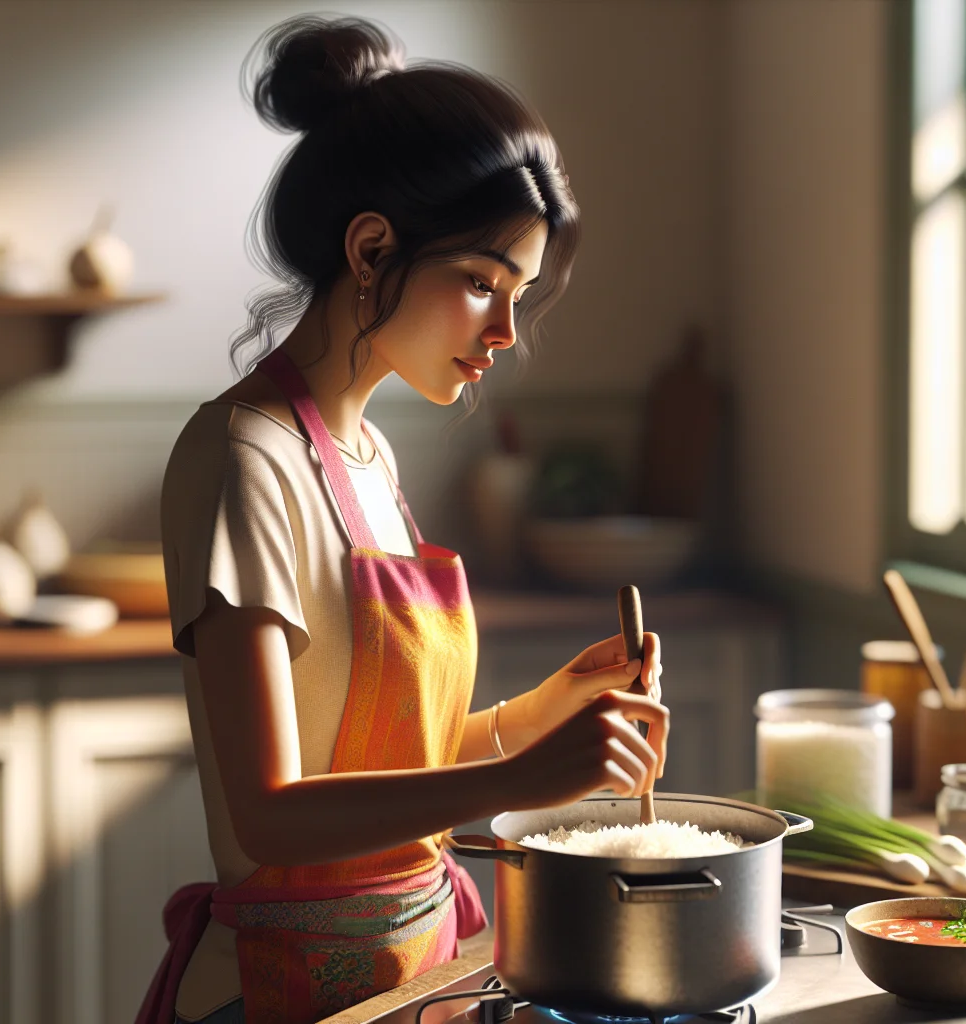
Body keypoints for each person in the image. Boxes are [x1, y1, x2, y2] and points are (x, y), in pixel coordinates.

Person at [136, 14, 667, 1024]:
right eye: (479, 284)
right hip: (279, 991)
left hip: (408, 973)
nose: (505, 333)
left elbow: (374, 763)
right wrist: (519, 775)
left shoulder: (369, 458)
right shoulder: (243, 458)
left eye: (516, 295)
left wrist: (545, 708)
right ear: (372, 246)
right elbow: (273, 813)